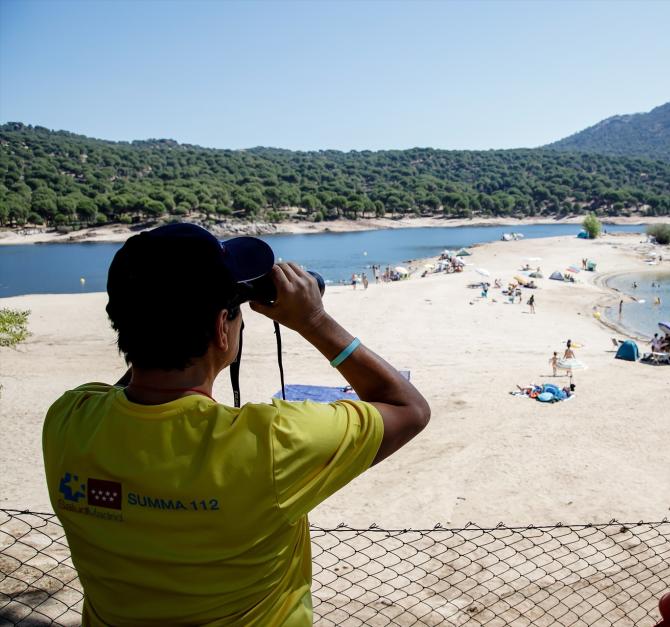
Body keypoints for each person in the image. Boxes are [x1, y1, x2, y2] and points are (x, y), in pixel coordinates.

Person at [42, 223, 430, 625]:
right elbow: (407, 407)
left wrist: (166, 321)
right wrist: (312, 319)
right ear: (219, 331)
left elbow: (136, 381)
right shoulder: (272, 443)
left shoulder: (69, 419)